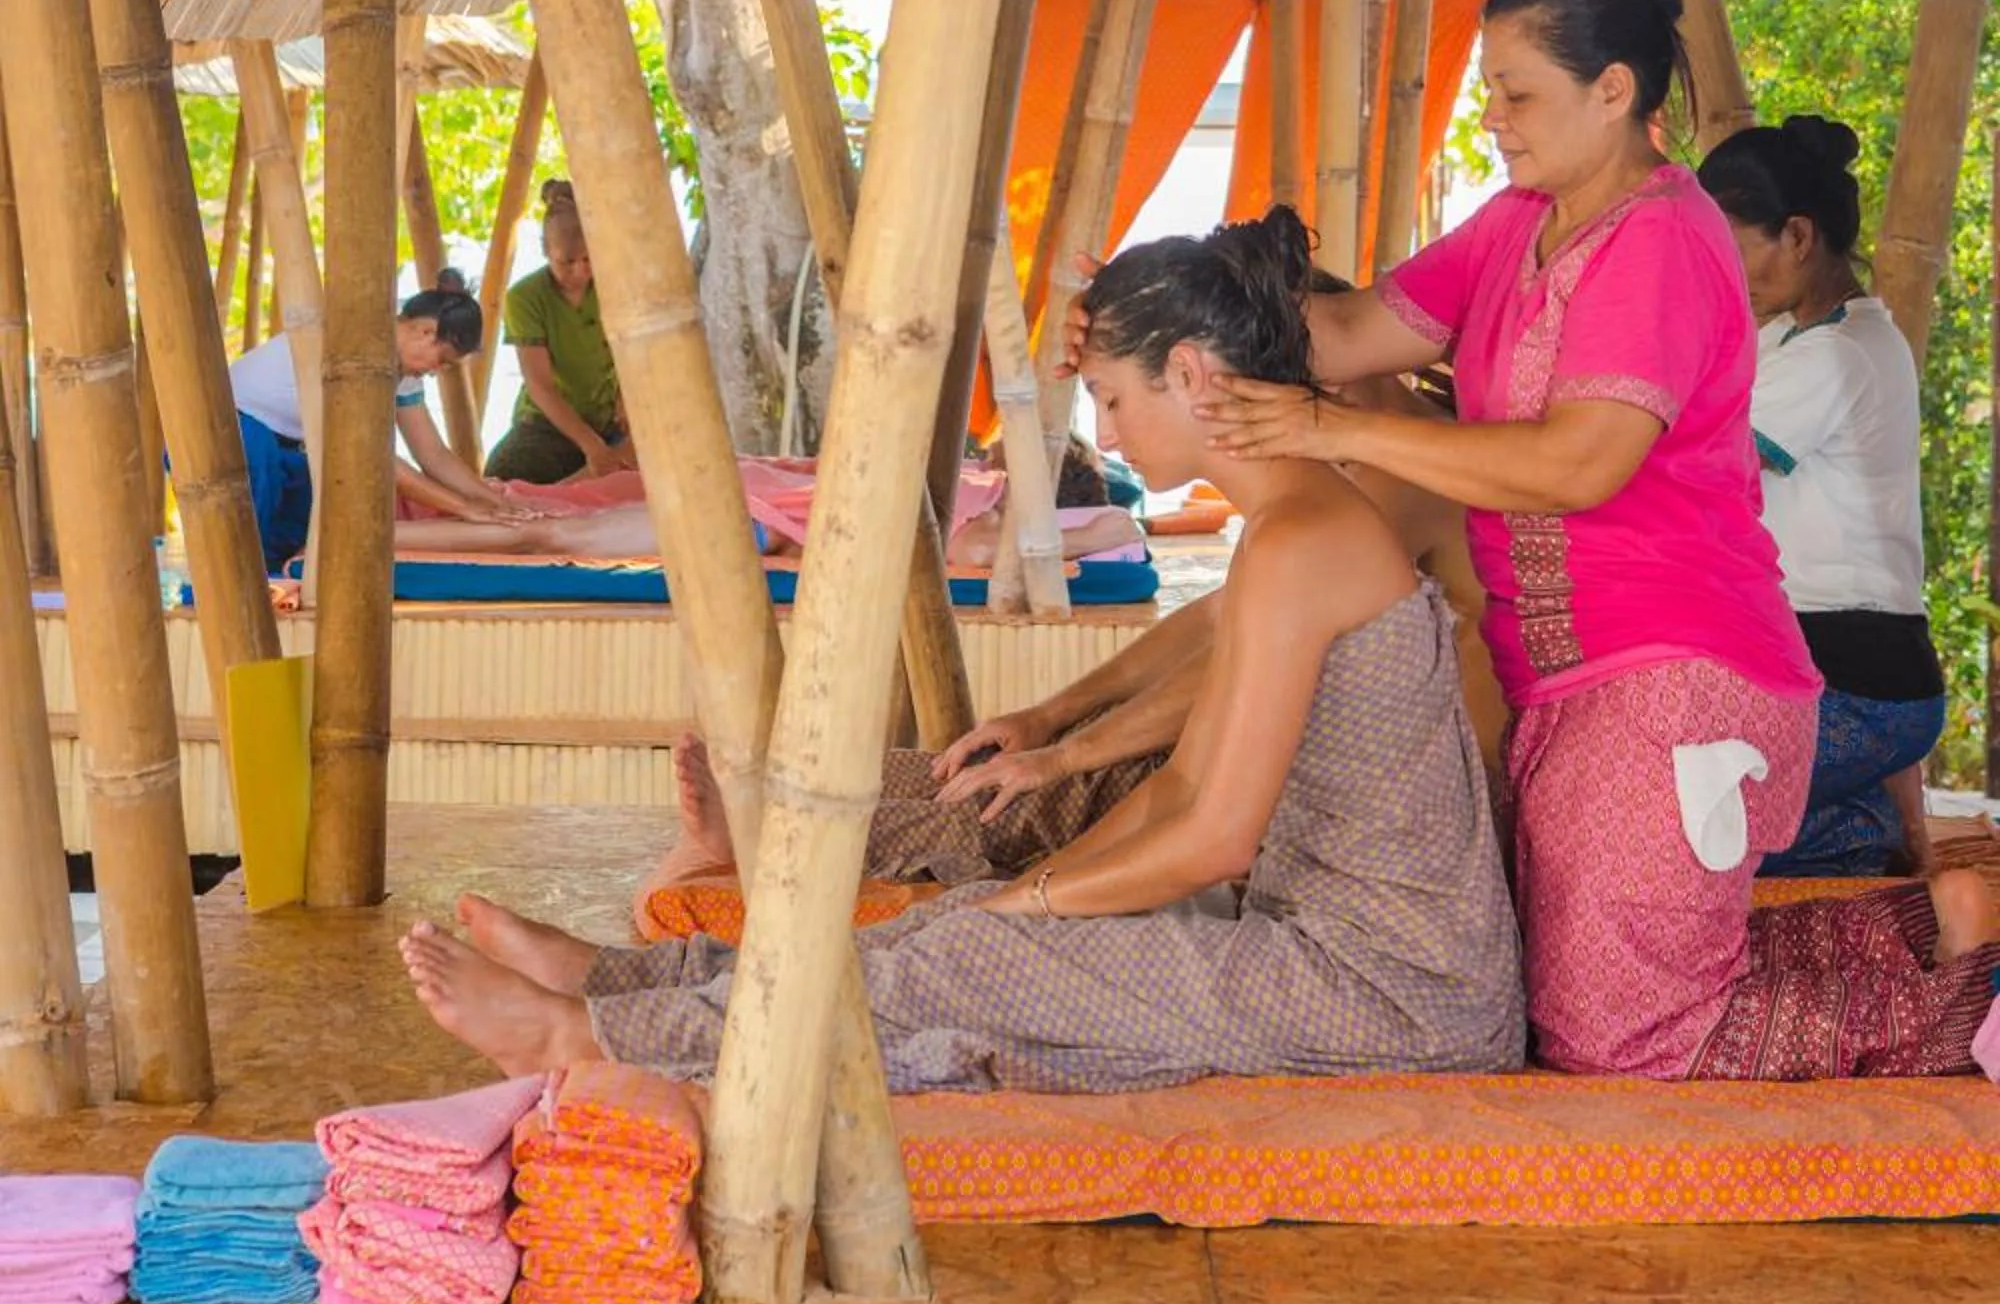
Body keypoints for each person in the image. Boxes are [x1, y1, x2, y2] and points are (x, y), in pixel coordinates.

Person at [399, 208, 1525, 1091]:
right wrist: (1031, 888)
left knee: (972, 950)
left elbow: (1214, 838)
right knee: (955, 927)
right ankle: (625, 986)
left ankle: (592, 1035)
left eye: (1114, 398)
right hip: (1335, 954)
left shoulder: (1311, 537)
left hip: (1394, 994)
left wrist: (1028, 910)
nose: (1113, 432)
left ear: (1189, 376)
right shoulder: (1296, 529)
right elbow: (1184, 784)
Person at [1196, 0, 2000, 1082]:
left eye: (1514, 95)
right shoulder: (1519, 221)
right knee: (1579, 1001)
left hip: (1675, 676)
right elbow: (1351, 330)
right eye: (1490, 92)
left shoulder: (1662, 238)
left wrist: (1331, 428)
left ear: (1611, 89)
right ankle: (1925, 932)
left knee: (1617, 1044)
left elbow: (1579, 463)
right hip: (1571, 679)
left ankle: (1956, 990)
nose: (1490, 117)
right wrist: (1170, 312)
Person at [1697, 117, 1944, 877]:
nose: (1723, 275)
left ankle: (1860, 836)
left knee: (1697, 830)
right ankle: (1861, 829)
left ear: (1798, 237)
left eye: (1732, 251)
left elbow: (1698, 467)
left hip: (1861, 685)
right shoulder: (1792, 339)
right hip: (1831, 667)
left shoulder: (1841, 356)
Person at [228, 287, 520, 570]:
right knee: (243, 541)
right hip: (241, 427)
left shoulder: (403, 371)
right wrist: (464, 508)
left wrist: (495, 503)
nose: (434, 372)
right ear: (426, 331)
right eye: (442, 360)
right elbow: (377, 458)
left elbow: (433, 453)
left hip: (289, 443)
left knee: (291, 537)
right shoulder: (359, 349)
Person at [485, 181, 629, 485]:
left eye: (588, 260)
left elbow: (634, 355)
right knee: (505, 474)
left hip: (611, 423)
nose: (579, 271)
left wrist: (626, 401)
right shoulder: (525, 297)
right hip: (547, 426)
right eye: (566, 262)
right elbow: (540, 385)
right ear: (545, 251)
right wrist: (591, 446)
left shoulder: (615, 285)